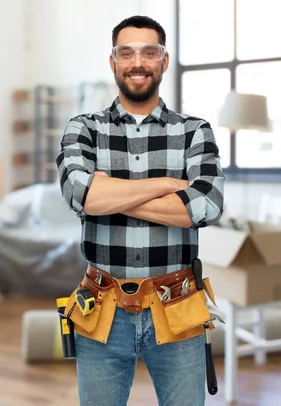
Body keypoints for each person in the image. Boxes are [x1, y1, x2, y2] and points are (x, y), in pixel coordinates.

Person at [56, 15, 225, 406]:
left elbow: (207, 204)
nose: (138, 62)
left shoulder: (194, 131)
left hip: (177, 305)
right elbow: (81, 196)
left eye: (149, 52)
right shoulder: (83, 128)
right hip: (101, 307)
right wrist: (168, 185)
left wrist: (110, 193)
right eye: (126, 52)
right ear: (112, 61)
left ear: (164, 61)